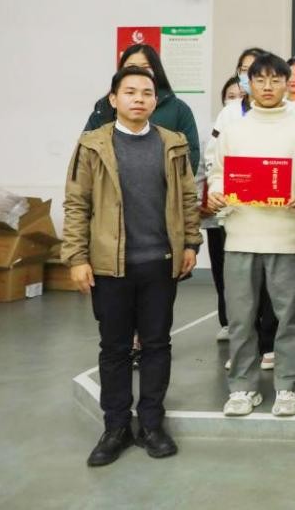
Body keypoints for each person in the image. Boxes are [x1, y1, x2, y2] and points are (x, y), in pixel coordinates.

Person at [63, 66, 201, 466]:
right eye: (130, 92)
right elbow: (77, 203)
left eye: (147, 92)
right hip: (110, 266)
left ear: (155, 100)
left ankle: (152, 425)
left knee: (157, 345)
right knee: (115, 348)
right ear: (113, 99)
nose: (139, 98)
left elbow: (187, 198)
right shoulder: (92, 145)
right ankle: (116, 427)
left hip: (160, 263)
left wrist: (191, 243)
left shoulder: (172, 144)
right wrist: (77, 257)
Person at [207, 53, 295, 418]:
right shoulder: (233, 130)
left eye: (276, 79)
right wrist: (216, 192)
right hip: (241, 236)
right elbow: (217, 173)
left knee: (290, 318)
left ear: (288, 83)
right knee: (241, 318)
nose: (268, 86)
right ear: (249, 84)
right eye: (260, 80)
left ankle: (287, 386)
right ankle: (242, 387)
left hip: (286, 239)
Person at [84, 43, 201, 171]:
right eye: (131, 67)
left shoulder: (178, 110)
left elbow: (190, 159)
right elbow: (84, 158)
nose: (138, 73)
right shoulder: (103, 108)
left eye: (146, 68)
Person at [201, 76, 244, 341]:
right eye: (230, 95)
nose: (236, 99)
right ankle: (227, 320)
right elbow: (206, 167)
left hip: (248, 213)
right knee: (221, 268)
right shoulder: (215, 129)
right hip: (217, 211)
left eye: (241, 95)